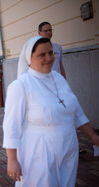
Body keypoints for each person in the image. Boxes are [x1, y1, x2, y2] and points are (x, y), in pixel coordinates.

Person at [3, 36, 99, 187]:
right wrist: (12, 160)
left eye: (51, 53)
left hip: (68, 149)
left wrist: (93, 137)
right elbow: (11, 126)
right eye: (42, 55)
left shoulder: (59, 79)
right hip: (39, 152)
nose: (49, 58)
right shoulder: (21, 86)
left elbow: (76, 112)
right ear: (29, 58)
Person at [39, 21, 87, 155]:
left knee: (67, 115)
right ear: (39, 32)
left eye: (50, 30)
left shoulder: (58, 47)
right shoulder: (35, 48)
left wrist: (65, 84)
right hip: (45, 90)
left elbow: (60, 66)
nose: (48, 32)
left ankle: (75, 146)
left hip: (59, 88)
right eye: (45, 30)